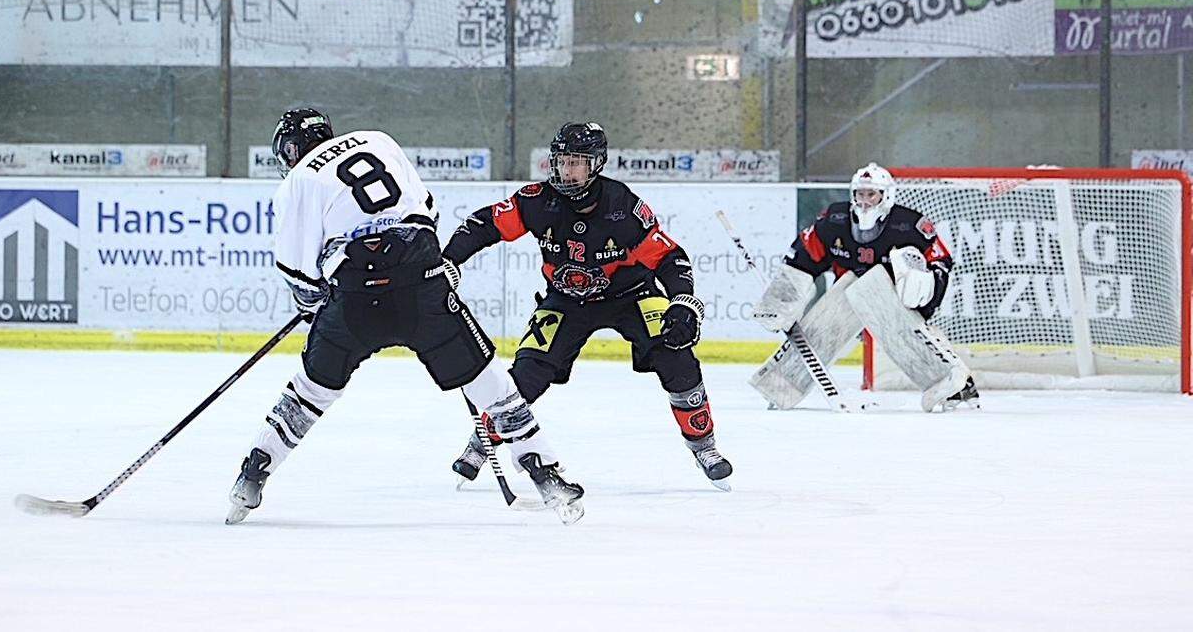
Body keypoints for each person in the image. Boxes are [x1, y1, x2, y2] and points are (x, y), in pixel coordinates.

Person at [225, 108, 584, 525]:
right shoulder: (378, 139)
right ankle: (544, 471)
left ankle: (254, 471)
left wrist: (316, 303)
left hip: (356, 295)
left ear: (290, 149)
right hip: (420, 279)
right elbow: (426, 213)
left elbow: (297, 272)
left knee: (310, 392)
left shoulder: (299, 180)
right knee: (489, 382)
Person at [441, 122, 733, 490]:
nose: (566, 170)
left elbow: (669, 256)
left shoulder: (621, 205)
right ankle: (481, 443)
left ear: (596, 164)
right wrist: (448, 261)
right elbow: (482, 225)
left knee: (675, 353)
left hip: (632, 295)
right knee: (528, 373)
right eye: (561, 161)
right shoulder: (536, 200)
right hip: (566, 301)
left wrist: (683, 301)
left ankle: (704, 446)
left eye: (576, 162)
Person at [753, 162, 980, 412]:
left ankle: (952, 384)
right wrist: (781, 301)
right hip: (851, 291)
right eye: (860, 194)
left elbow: (941, 260)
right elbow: (804, 256)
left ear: (887, 196)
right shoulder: (834, 220)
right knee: (826, 321)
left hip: (893, 301)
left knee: (874, 294)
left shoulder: (908, 224)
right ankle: (783, 383)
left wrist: (927, 298)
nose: (865, 201)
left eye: (871, 194)